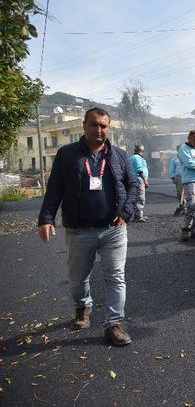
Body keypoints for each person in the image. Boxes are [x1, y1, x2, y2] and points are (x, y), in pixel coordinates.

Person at [37, 107, 136, 347]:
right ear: (84, 125)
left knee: (116, 277)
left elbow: (133, 185)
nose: (99, 130)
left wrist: (125, 212)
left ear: (108, 128)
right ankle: (83, 307)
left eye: (103, 126)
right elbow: (55, 189)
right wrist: (46, 218)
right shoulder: (67, 154)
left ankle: (114, 324)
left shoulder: (120, 156)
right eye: (94, 124)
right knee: (78, 278)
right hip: (79, 230)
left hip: (113, 230)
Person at [177, 130, 195, 241]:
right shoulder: (183, 148)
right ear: (189, 138)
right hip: (189, 180)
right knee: (191, 205)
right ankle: (185, 229)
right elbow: (189, 163)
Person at [129, 144, 149, 222]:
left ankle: (138, 214)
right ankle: (138, 216)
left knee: (138, 197)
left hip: (137, 180)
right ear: (142, 151)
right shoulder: (137, 158)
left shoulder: (134, 157)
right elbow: (139, 170)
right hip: (139, 180)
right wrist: (145, 180)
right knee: (140, 197)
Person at [168, 145, 184, 216]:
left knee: (187, 193)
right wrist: (172, 178)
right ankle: (183, 206)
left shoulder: (186, 158)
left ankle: (184, 207)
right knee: (180, 193)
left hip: (187, 177)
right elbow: (171, 169)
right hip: (178, 178)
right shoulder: (174, 159)